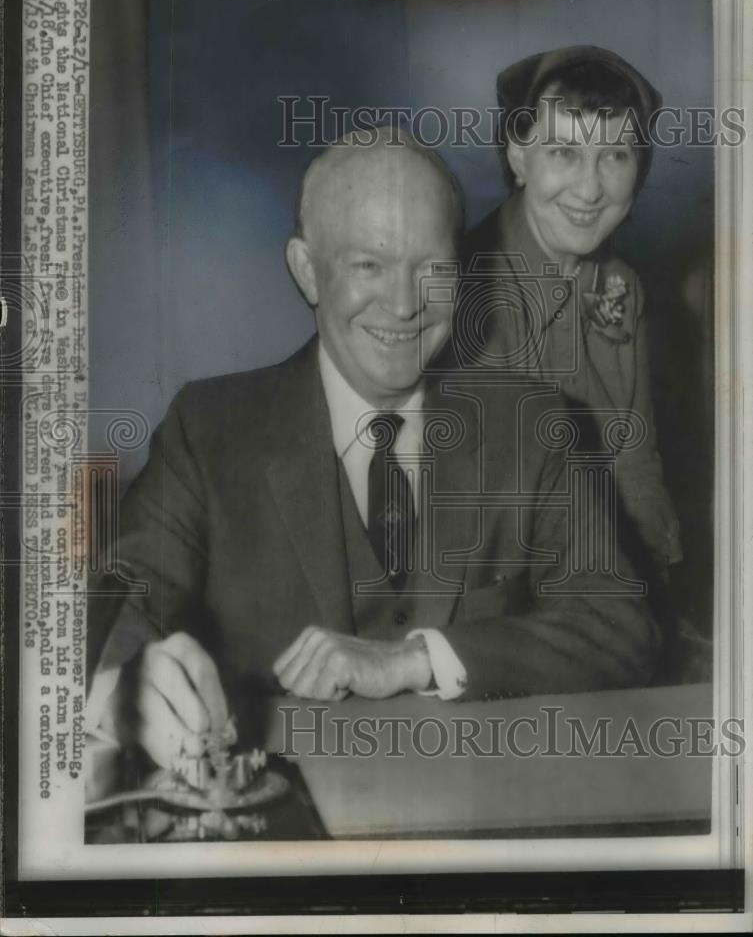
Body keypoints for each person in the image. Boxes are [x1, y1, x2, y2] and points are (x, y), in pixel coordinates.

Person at [87, 127, 659, 772]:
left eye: (432, 269)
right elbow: (118, 601)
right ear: (307, 270)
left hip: (485, 822)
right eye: (369, 265)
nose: (404, 303)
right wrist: (125, 679)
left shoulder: (536, 425)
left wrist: (417, 656)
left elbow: (620, 628)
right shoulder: (209, 428)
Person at [462, 45, 682, 587]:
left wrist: (650, 593)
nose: (589, 189)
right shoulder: (459, 287)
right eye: (563, 152)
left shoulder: (620, 285)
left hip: (609, 586)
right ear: (518, 158)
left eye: (616, 155)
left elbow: (635, 462)